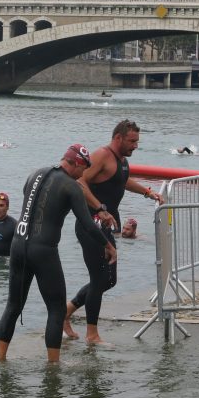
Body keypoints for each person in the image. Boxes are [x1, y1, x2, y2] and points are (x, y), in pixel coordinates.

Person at [0, 144, 117, 362]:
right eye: (84, 168)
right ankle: (53, 366)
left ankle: (0, 359)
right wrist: (108, 246)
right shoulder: (71, 187)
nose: (83, 174)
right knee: (56, 310)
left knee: (13, 306)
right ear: (77, 163)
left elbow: (29, 203)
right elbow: (89, 225)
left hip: (18, 246)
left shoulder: (35, 173)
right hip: (44, 251)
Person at [62, 119, 163, 343]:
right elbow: (80, 181)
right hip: (91, 224)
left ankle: (67, 311)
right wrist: (99, 207)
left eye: (137, 141)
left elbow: (123, 181)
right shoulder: (101, 155)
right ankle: (92, 334)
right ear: (118, 138)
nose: (136, 145)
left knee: (109, 280)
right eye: (132, 141)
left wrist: (149, 193)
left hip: (105, 225)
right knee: (99, 278)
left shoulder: (121, 160)